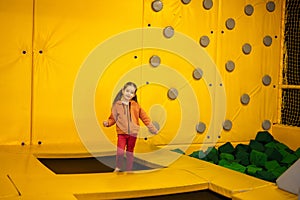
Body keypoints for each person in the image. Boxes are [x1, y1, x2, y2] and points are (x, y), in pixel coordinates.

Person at [103, 82, 158, 172]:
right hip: (122, 134)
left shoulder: (136, 106)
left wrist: (153, 129)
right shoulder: (117, 105)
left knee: (130, 152)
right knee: (120, 152)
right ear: (123, 91)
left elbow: (145, 118)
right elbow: (113, 118)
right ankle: (118, 167)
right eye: (127, 91)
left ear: (134, 95)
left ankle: (129, 169)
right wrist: (108, 123)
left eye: (132, 92)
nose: (129, 94)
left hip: (133, 133)